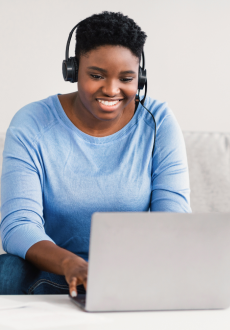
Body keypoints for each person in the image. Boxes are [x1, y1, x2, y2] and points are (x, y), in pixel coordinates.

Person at [0, 11, 191, 296]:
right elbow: (18, 225)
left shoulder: (157, 122)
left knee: (204, 276)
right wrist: (71, 264)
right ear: (73, 70)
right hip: (56, 272)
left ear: (139, 77)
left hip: (132, 273)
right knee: (8, 272)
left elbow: (174, 219)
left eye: (126, 78)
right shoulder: (32, 122)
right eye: (96, 75)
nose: (112, 90)